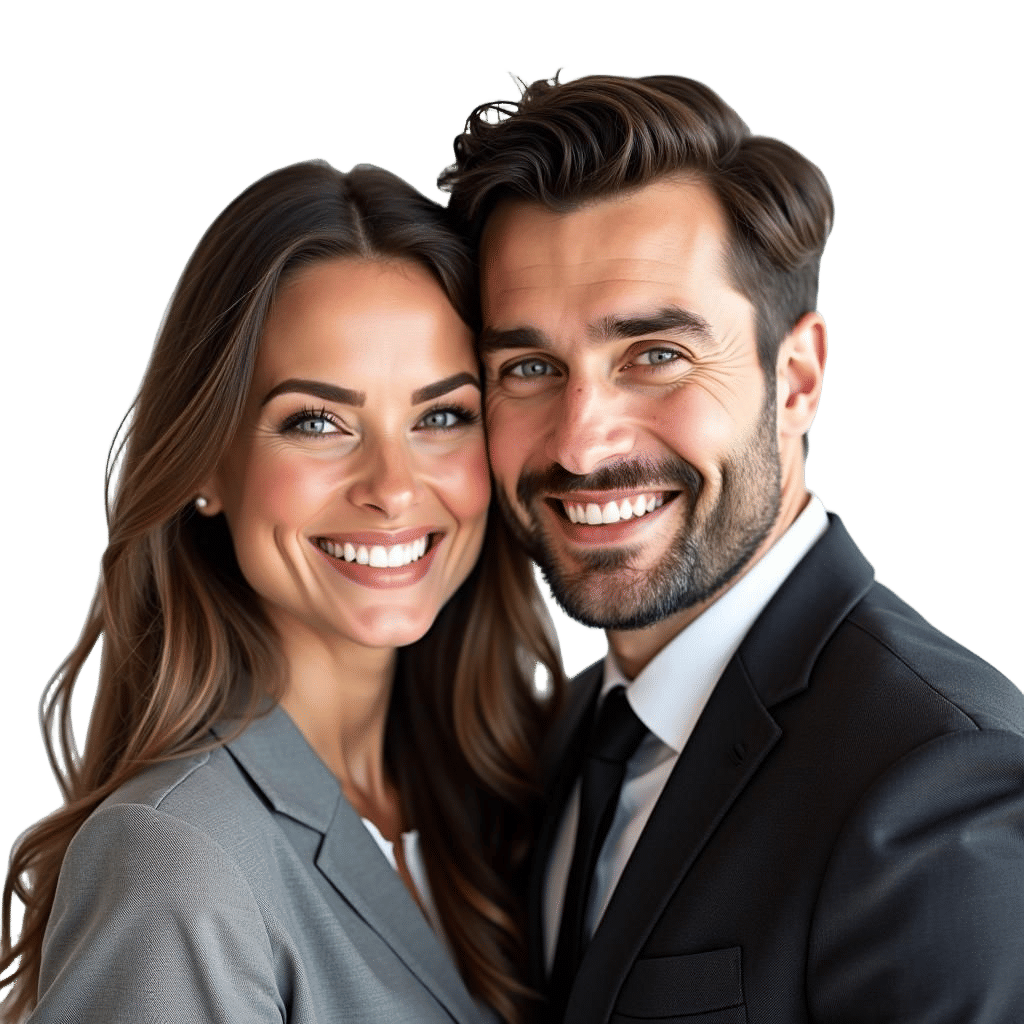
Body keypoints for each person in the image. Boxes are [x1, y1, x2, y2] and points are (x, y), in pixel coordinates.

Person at [439, 71, 1024, 1023]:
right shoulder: (545, 751)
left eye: (656, 356)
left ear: (795, 380)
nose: (582, 444)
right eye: (531, 367)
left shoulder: (938, 781)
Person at [0, 158, 563, 1024]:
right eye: (317, 421)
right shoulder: (177, 860)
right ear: (206, 465)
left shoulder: (523, 799)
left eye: (442, 416)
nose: (393, 488)